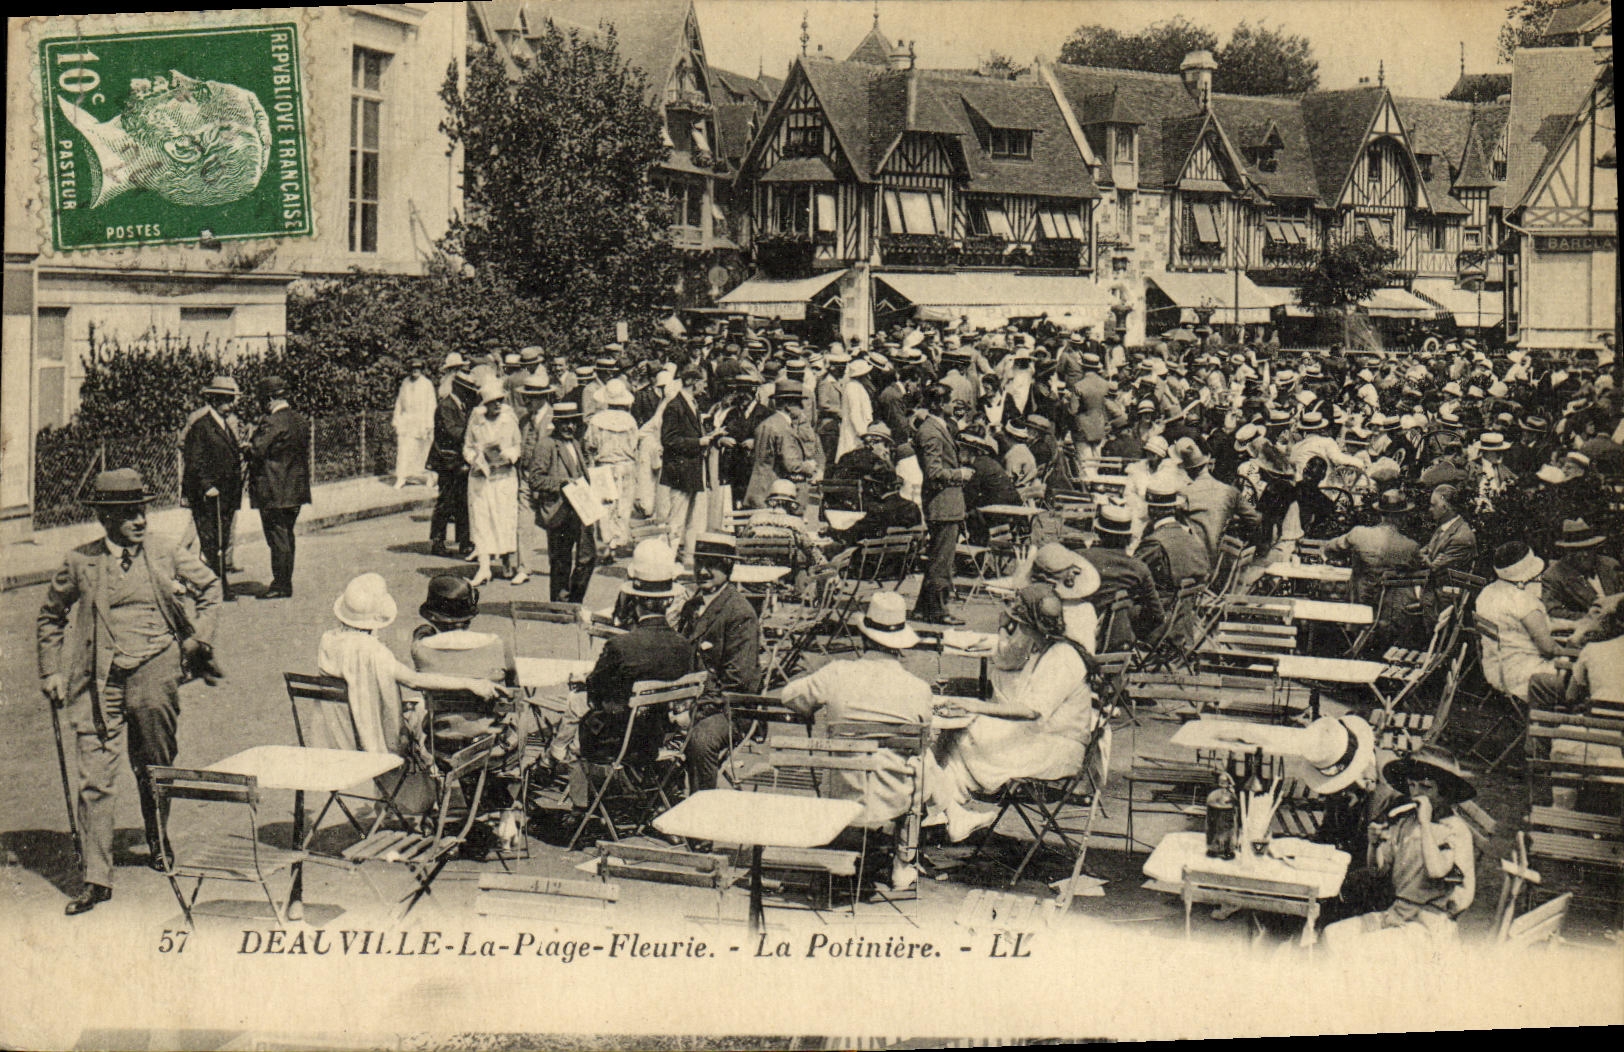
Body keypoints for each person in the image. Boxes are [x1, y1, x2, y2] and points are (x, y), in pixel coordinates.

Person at [38, 469, 223, 916]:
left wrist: (198, 638)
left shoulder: (164, 552)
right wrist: (52, 672)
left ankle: (158, 839)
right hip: (99, 681)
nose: (140, 520)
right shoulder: (80, 562)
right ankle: (96, 878)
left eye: (142, 510)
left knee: (155, 763)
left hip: (155, 670)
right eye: (128, 513)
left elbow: (212, 588)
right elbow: (50, 618)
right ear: (106, 518)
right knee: (95, 779)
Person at [929, 584, 1106, 843]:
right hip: (1041, 737)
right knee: (958, 732)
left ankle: (943, 810)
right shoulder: (1043, 649)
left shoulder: (1063, 657)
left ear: (1026, 624)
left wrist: (973, 706)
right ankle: (947, 812)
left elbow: (1030, 711)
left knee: (965, 734)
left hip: (1057, 749)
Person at [782, 591, 933, 893]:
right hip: (894, 793)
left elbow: (790, 697)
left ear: (864, 638)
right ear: (899, 644)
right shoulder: (918, 688)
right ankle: (906, 856)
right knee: (924, 759)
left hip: (843, 787)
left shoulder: (837, 672)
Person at [317, 574, 501, 773]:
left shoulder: (328, 641)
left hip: (339, 734)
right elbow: (414, 681)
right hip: (371, 739)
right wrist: (469, 684)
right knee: (418, 711)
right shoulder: (373, 652)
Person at [1324, 749, 1476, 951]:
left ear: (1445, 792)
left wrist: (1425, 824)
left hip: (1430, 924)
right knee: (1331, 935)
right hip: (1399, 913)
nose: (1417, 794)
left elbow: (1436, 870)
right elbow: (1379, 870)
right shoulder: (1406, 823)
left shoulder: (1453, 830)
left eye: (1426, 787)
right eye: (1412, 785)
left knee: (1359, 948)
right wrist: (1375, 844)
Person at [677, 533, 763, 793]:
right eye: (699, 563)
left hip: (728, 710)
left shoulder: (740, 613)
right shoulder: (693, 604)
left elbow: (738, 681)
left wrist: (692, 710)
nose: (702, 571)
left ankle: (701, 815)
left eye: (711, 565)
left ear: (727, 567)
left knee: (700, 741)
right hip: (690, 699)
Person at [1477, 541, 1567, 707]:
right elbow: (1549, 649)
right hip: (1526, 675)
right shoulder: (1524, 601)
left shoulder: (1487, 593)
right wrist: (1574, 649)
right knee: (1582, 674)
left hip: (1497, 668)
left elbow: (1520, 628)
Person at [523, 402, 597, 604]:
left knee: (588, 556)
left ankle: (574, 600)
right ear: (556, 423)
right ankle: (560, 604)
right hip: (559, 511)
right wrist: (562, 483)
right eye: (564, 422)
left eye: (572, 422)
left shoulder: (575, 443)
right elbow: (535, 480)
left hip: (582, 509)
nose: (569, 427)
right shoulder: (546, 444)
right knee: (561, 561)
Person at [913, 382, 973, 626]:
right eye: (949, 401)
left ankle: (923, 607)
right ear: (938, 404)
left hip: (947, 502)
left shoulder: (939, 427)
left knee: (939, 557)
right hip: (942, 503)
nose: (953, 405)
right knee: (942, 561)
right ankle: (939, 610)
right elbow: (934, 471)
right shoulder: (930, 431)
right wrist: (959, 474)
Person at [246, 375, 310, 600]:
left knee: (278, 538)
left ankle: (281, 585)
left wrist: (247, 445)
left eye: (263, 400)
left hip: (274, 490)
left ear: (270, 399)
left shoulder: (271, 422)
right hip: (295, 489)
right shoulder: (300, 420)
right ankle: (284, 581)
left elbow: (256, 450)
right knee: (287, 536)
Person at [182, 375, 245, 600]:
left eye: (232, 400)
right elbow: (194, 460)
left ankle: (213, 585)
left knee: (221, 540)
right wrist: (207, 485)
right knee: (212, 543)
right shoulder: (202, 426)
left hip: (226, 495)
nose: (231, 405)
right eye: (227, 400)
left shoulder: (224, 424)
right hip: (209, 496)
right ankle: (218, 588)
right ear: (215, 400)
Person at [1078, 501, 1163, 651]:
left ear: (1099, 532)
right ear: (1129, 536)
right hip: (1115, 641)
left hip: (1078, 635)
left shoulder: (1078, 558)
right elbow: (1157, 614)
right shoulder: (1138, 568)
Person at [464, 378, 523, 587]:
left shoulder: (509, 420)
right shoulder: (476, 421)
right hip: (481, 478)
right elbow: (468, 447)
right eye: (492, 402)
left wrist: (508, 455)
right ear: (485, 404)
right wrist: (475, 459)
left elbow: (517, 445)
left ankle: (507, 560)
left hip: (504, 477)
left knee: (505, 519)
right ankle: (484, 566)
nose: (497, 404)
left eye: (499, 400)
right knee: (482, 520)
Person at [1324, 490, 1420, 608]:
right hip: (1390, 611)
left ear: (1380, 513)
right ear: (1403, 517)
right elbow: (1420, 567)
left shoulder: (1359, 534)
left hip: (1358, 604)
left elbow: (1329, 548)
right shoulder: (1410, 547)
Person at [661, 367, 717, 566]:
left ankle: (686, 556)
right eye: (701, 382)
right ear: (693, 381)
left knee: (693, 516)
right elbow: (668, 440)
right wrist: (699, 442)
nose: (704, 386)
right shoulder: (675, 406)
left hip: (692, 469)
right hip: (680, 470)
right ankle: (667, 559)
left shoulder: (692, 404)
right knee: (676, 518)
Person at [1176, 436, 1260, 559]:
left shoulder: (1183, 493)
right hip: (1222, 560)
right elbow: (1255, 519)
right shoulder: (1230, 492)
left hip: (1193, 558)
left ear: (1188, 471)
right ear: (1208, 465)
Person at [585, 379, 640, 555]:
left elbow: (590, 444)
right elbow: (634, 444)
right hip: (625, 465)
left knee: (605, 506)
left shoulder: (597, 420)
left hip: (604, 466)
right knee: (623, 505)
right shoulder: (630, 421)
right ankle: (617, 540)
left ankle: (608, 543)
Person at [745, 379, 818, 508]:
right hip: (773, 492)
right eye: (798, 404)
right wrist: (810, 467)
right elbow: (792, 464)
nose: (802, 408)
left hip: (757, 488)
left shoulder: (766, 424)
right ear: (788, 405)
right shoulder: (783, 428)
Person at [428, 370, 478, 558]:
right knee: (446, 501)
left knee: (464, 502)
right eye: (466, 390)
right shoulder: (446, 406)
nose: (469, 393)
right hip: (447, 460)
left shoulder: (463, 405)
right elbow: (451, 431)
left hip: (459, 459)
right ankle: (437, 540)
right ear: (457, 388)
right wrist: (473, 434)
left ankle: (464, 541)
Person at [1541, 518, 1623, 621]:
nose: (1584, 554)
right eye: (1577, 550)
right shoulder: (1553, 576)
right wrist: (1591, 617)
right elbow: (1553, 611)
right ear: (1567, 551)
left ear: (1595, 547)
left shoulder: (1610, 565)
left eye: (1588, 548)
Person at [392, 358, 437, 488]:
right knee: (404, 450)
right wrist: (396, 420)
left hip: (421, 422)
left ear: (421, 370)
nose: (415, 371)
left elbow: (431, 405)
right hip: (407, 422)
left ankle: (425, 478)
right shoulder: (405, 383)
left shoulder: (427, 384)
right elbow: (399, 403)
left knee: (421, 451)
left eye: (418, 368)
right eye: (413, 368)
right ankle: (401, 477)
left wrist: (430, 424)